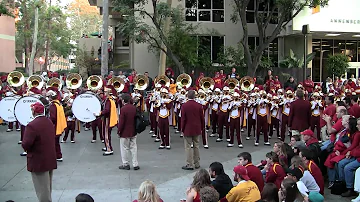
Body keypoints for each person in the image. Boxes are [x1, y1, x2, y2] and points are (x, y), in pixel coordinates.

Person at [22, 102, 57, 202]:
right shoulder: (49, 122)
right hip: (49, 159)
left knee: (42, 190)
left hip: (38, 161)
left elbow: (26, 144)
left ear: (34, 111)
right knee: (47, 187)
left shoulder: (32, 125)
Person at [181, 90, 204, 170]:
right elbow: (202, 118)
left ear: (187, 96)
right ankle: (197, 163)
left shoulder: (184, 105)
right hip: (197, 128)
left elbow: (183, 119)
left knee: (188, 147)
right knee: (196, 146)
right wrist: (202, 127)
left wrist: (182, 128)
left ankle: (189, 164)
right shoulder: (199, 105)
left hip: (188, 128)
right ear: (194, 96)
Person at [118, 93, 139, 170]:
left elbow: (121, 122)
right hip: (133, 130)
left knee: (124, 148)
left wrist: (119, 131)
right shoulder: (134, 108)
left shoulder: (123, 109)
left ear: (123, 100)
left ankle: (125, 163)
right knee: (134, 148)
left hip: (125, 132)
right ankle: (135, 164)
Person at [95, 85, 118, 156]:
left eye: (105, 91)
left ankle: (109, 149)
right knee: (106, 133)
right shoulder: (109, 99)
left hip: (107, 119)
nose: (104, 92)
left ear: (108, 92)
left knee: (106, 134)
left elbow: (107, 110)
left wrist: (100, 113)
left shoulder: (108, 100)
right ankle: (107, 146)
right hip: (107, 118)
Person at [48, 90, 67, 162]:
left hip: (54, 127)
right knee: (56, 142)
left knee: (54, 143)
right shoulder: (58, 104)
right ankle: (58, 155)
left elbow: (52, 117)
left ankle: (57, 156)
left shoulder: (53, 105)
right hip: (58, 126)